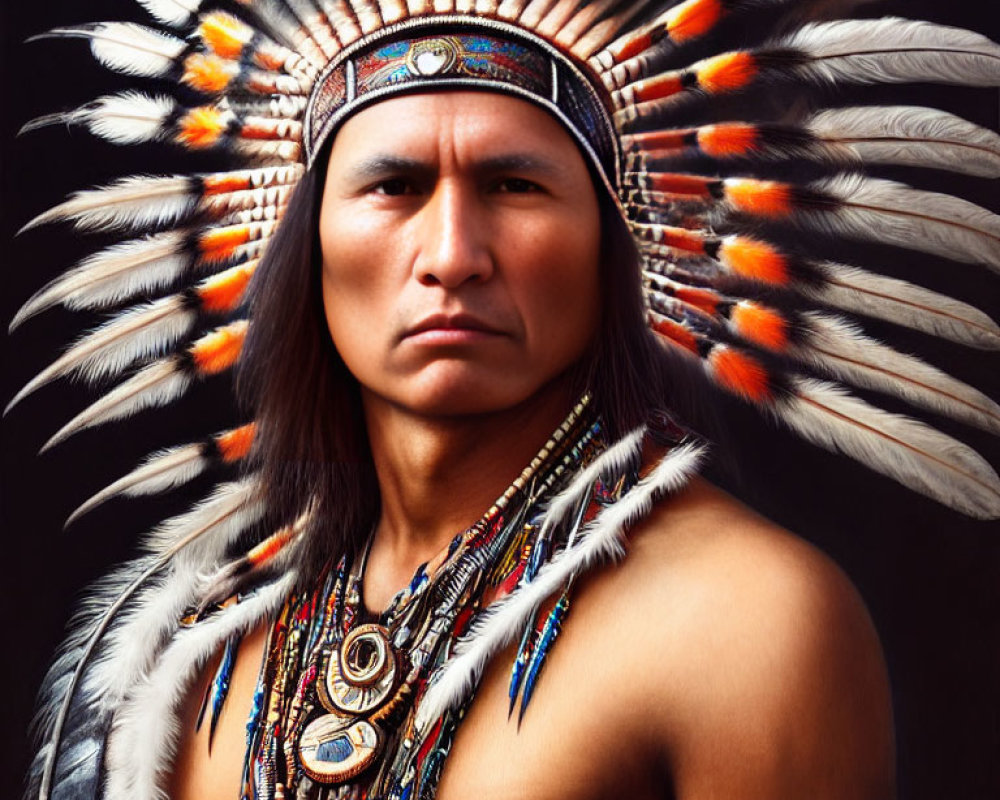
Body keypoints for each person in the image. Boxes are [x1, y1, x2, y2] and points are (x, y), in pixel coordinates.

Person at [9, 2, 997, 799]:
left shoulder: (749, 623)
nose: (450, 256)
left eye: (515, 184)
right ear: (304, 249)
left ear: (615, 247)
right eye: (392, 185)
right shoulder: (192, 654)